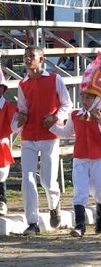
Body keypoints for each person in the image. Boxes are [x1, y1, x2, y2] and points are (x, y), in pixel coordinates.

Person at [52, 52, 101, 237]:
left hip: (98, 159)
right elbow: (66, 132)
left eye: (88, 97)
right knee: (79, 191)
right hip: (80, 158)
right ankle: (80, 225)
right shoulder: (75, 115)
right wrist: (51, 127)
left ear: (96, 98)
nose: (84, 100)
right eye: (83, 97)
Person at [15, 46, 72, 235]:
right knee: (28, 178)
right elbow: (22, 107)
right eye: (25, 56)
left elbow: (67, 103)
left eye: (32, 56)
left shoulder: (55, 79)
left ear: (42, 59)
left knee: (48, 180)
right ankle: (32, 222)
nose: (28, 59)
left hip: (49, 135)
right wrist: (21, 117)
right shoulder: (23, 84)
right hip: (29, 136)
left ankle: (54, 205)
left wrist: (56, 118)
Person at [0, 69, 18, 216]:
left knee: (1, 173)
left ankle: (2, 201)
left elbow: (13, 126)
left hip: (1, 142)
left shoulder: (8, 107)